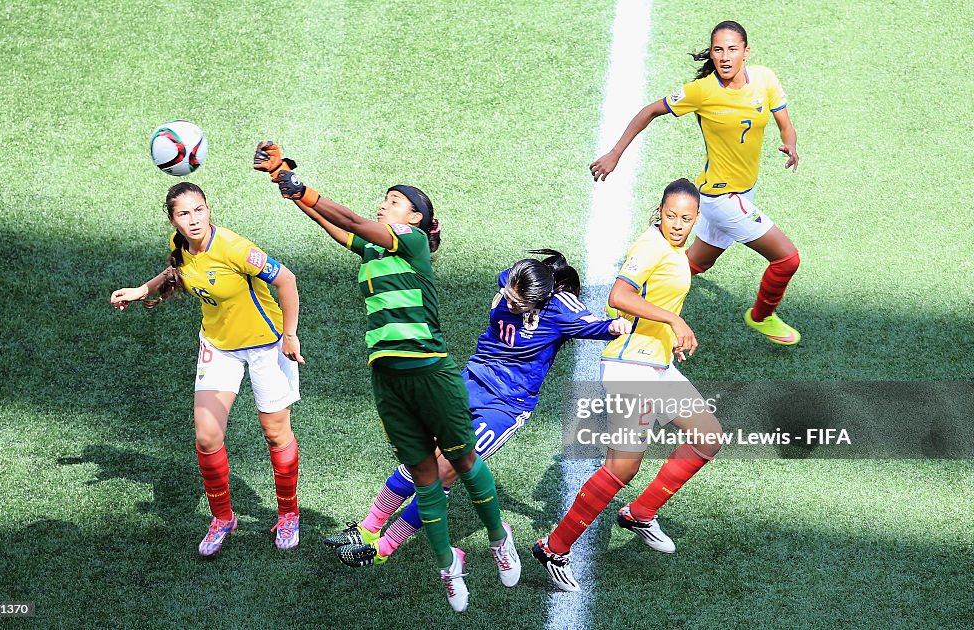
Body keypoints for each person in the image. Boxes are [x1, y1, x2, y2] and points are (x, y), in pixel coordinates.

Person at [252, 141, 519, 613]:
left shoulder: (412, 243)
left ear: (415, 219)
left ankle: (500, 538)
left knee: (463, 462)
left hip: (429, 369)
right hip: (387, 376)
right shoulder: (373, 254)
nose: (384, 204)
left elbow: (354, 220)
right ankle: (446, 564)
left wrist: (303, 187)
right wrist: (290, 191)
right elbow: (342, 231)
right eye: (386, 199)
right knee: (422, 476)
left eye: (395, 201)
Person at [324, 250, 633, 569]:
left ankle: (385, 547)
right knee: (420, 458)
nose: (509, 304)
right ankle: (367, 529)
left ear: (540, 302)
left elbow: (598, 326)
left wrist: (619, 326)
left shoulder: (560, 311)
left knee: (444, 470)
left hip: (504, 405)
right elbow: (509, 286)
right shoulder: (511, 280)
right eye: (508, 295)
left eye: (518, 303)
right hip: (469, 382)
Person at [532, 179, 723, 592]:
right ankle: (554, 547)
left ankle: (640, 513)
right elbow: (619, 296)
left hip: (656, 364)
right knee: (623, 465)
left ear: (695, 219)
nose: (677, 224)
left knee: (707, 437)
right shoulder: (650, 245)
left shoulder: (673, 250)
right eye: (671, 215)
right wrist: (674, 321)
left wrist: (671, 334)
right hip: (630, 368)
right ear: (660, 210)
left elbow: (667, 293)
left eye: (686, 218)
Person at [109, 182, 305, 557]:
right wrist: (142, 290)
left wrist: (290, 335)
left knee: (276, 433)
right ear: (173, 219)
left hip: (267, 345)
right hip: (219, 347)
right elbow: (176, 271)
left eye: (199, 210)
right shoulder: (179, 244)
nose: (193, 220)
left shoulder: (234, 248)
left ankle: (288, 513)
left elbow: (287, 279)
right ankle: (222, 518)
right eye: (184, 214)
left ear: (209, 209)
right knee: (207, 437)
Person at [590, 20, 803, 345]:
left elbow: (785, 124)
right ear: (712, 54)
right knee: (787, 258)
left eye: (732, 49)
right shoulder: (702, 92)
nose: (725, 56)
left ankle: (628, 303)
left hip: (743, 191)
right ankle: (761, 316)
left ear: (746, 52)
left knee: (693, 264)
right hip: (721, 199)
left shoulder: (765, 79)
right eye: (718, 49)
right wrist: (615, 153)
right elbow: (649, 111)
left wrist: (791, 144)